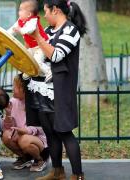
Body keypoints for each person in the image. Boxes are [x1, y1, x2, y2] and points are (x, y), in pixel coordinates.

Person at [27, 0, 87, 179]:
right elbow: (42, 54)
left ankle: (78, 175)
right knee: (50, 131)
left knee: (64, 132)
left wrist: (37, 36)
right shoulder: (48, 30)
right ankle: (57, 171)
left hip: (59, 91)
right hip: (42, 87)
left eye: (46, 11)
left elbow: (55, 55)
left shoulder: (71, 30)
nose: (44, 15)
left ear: (56, 10)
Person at [1, 74, 49, 172]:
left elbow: (42, 127)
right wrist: (8, 114)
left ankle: (40, 159)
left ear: (24, 89)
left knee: (24, 140)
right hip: (20, 136)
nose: (12, 89)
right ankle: (25, 158)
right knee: (6, 136)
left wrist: (25, 130)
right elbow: (7, 127)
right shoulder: (12, 102)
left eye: (15, 86)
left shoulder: (37, 102)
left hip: (38, 140)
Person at [7, 0, 51, 82]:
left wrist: (20, 30)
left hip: (41, 46)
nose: (18, 11)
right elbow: (12, 30)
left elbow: (30, 30)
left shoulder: (33, 20)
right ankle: (29, 71)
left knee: (37, 61)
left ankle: (49, 71)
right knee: (25, 58)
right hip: (33, 47)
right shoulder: (20, 21)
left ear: (29, 14)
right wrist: (5, 34)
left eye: (20, 10)